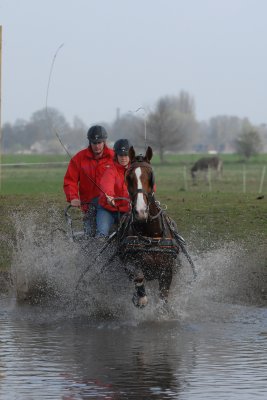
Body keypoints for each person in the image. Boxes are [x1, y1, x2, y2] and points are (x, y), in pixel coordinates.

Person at [63, 125, 114, 236]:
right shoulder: (79, 159)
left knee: (106, 232)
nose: (97, 146)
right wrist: (73, 197)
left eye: (99, 142)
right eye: (94, 143)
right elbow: (70, 181)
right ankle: (91, 251)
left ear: (104, 141)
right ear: (90, 142)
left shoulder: (114, 157)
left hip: (110, 205)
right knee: (89, 236)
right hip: (89, 206)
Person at [98, 139, 131, 237]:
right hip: (108, 209)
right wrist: (110, 197)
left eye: (126, 155)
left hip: (128, 211)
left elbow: (147, 185)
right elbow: (107, 184)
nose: (123, 158)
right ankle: (96, 250)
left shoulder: (136, 171)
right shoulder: (111, 170)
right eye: (121, 155)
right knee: (102, 233)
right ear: (116, 155)